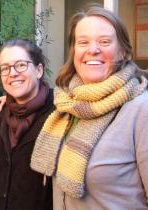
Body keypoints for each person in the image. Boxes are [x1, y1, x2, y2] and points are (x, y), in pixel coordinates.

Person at [31, 5, 148, 210]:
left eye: (104, 42)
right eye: (83, 42)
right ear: (74, 51)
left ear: (124, 52)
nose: (92, 50)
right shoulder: (65, 105)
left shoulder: (141, 110)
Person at [0, 39, 53, 210]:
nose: (13, 73)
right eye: (5, 68)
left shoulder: (57, 112)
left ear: (39, 70)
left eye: (21, 65)